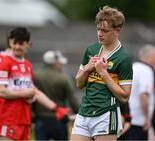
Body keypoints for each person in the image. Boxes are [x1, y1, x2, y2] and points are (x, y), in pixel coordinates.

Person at [70, 5, 133, 141]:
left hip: (106, 115)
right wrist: (87, 68)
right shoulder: (91, 49)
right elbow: (79, 84)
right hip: (84, 112)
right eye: (98, 29)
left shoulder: (124, 58)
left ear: (117, 31)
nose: (100, 33)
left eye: (105, 30)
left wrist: (104, 74)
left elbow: (124, 97)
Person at [0, 27, 69, 141]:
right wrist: (24, 93)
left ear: (28, 44)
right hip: (9, 119)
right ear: (10, 42)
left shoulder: (27, 64)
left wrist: (56, 108)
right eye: (14, 43)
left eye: (20, 43)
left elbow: (33, 91)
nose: (17, 46)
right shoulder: (5, 63)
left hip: (24, 119)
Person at [32, 50, 79, 141]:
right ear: (56, 63)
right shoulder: (63, 78)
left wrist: (32, 115)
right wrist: (79, 114)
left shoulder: (35, 76)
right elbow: (72, 100)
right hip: (59, 119)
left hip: (40, 118)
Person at [128, 44, 155, 140]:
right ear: (150, 57)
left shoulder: (133, 67)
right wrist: (147, 118)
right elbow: (143, 95)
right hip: (139, 120)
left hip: (128, 118)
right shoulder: (146, 70)